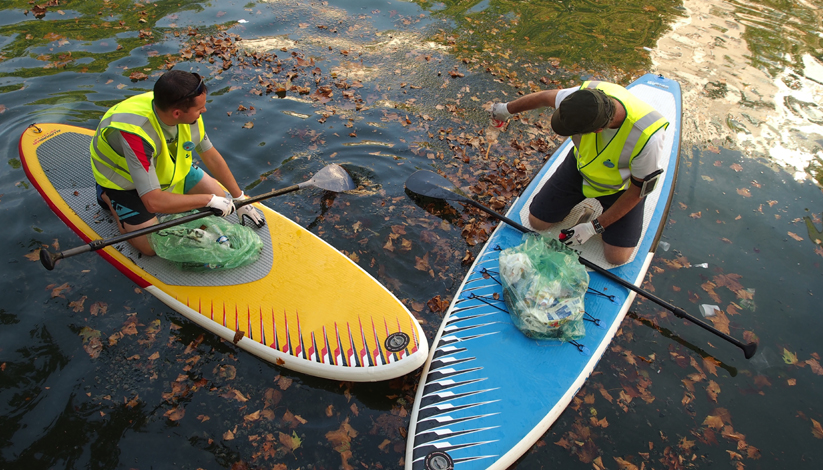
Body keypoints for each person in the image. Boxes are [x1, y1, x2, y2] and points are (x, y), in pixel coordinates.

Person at [491, 80, 668, 265]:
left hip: (620, 187)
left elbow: (638, 190)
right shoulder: (584, 98)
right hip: (579, 168)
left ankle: (603, 209)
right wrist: (504, 110)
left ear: (598, 130)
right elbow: (544, 98)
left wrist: (594, 227)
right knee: (537, 222)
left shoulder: (648, 138)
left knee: (616, 257)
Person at [90, 69, 264, 256]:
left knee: (219, 194)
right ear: (177, 113)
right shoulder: (135, 134)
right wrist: (208, 200)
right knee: (150, 246)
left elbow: (211, 156)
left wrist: (239, 199)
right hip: (124, 182)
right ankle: (107, 196)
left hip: (164, 170)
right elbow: (153, 202)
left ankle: (178, 195)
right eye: (199, 109)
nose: (204, 111)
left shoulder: (182, 107)